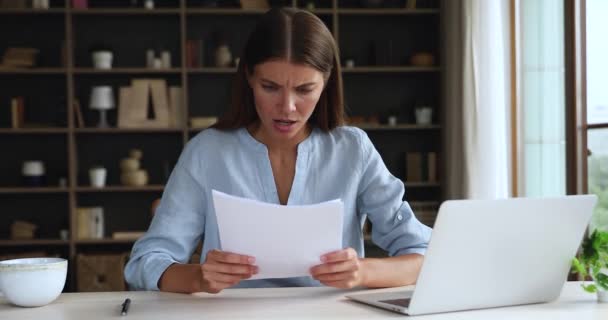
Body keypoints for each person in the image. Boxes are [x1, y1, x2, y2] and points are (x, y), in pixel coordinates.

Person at [124, 7, 432, 294]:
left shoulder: (354, 150)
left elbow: (424, 255)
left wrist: (362, 272)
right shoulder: (206, 152)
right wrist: (198, 276)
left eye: (304, 89)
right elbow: (146, 261)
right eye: (270, 87)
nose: (287, 107)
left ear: (326, 82)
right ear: (249, 78)